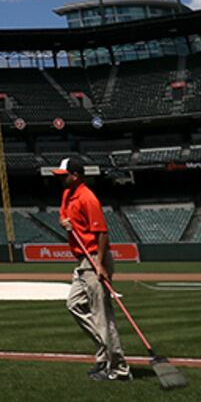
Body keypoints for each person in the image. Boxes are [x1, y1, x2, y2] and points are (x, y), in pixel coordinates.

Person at [54, 158, 130, 382]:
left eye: (63, 175)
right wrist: (64, 223)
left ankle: (119, 368)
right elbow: (64, 217)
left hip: (95, 258)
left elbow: (102, 233)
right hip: (82, 261)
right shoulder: (68, 194)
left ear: (75, 175)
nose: (60, 178)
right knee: (74, 305)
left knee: (102, 316)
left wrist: (100, 264)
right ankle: (104, 354)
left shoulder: (88, 198)